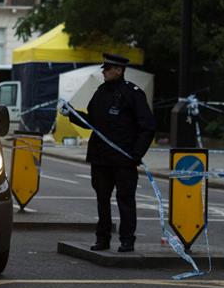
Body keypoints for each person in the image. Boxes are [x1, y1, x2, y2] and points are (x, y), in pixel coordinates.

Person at [59, 53, 155, 253]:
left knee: (125, 199)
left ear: (119, 70)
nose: (103, 71)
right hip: (100, 157)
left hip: (123, 159)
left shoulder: (133, 93)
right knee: (102, 199)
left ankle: (127, 240)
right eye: (104, 68)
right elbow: (92, 122)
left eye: (107, 68)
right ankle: (102, 238)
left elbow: (147, 126)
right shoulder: (101, 92)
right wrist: (73, 114)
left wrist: (136, 154)